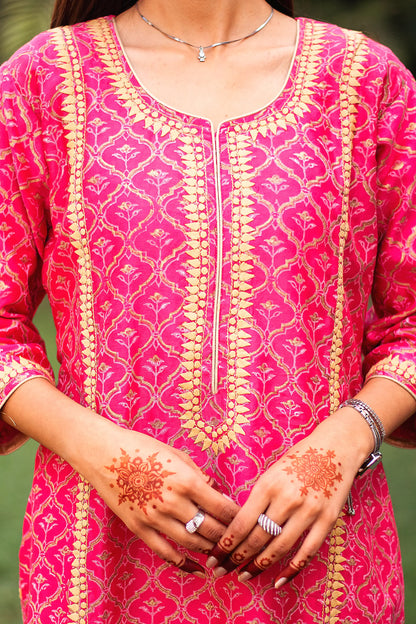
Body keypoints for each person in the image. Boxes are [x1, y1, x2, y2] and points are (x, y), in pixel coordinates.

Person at [0, 0, 415, 622]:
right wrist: (108, 457)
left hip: (324, 559)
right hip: (97, 555)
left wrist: (343, 442)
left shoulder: (366, 80)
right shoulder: (44, 80)